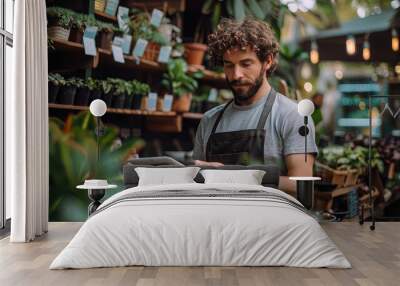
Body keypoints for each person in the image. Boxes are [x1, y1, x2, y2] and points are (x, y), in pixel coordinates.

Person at [192, 18, 318, 194]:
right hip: (218, 217)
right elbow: (194, 182)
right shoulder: (209, 120)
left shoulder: (292, 116)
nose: (236, 75)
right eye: (229, 65)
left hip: (270, 219)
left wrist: (231, 177)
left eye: (246, 64)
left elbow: (302, 186)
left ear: (267, 61)